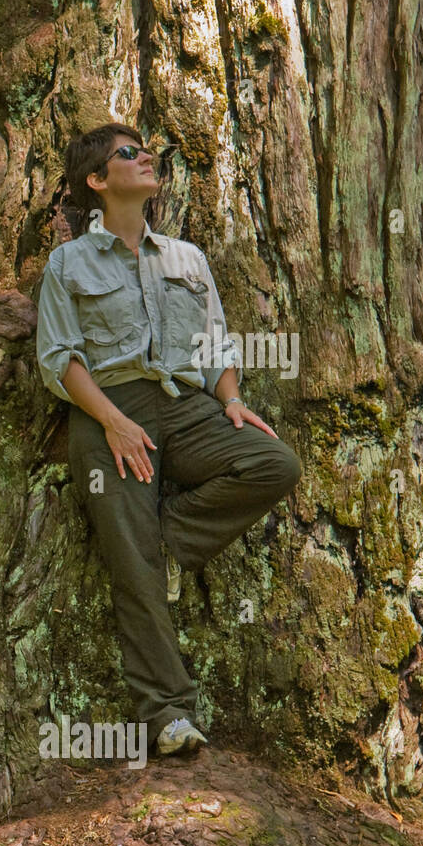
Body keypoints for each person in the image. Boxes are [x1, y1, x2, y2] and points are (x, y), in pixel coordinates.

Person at [35, 123, 302, 755]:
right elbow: (58, 356)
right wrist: (111, 420)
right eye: (128, 154)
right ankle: (168, 713)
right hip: (111, 412)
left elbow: (216, 343)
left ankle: (163, 540)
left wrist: (232, 400)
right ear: (97, 181)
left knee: (274, 463)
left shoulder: (187, 259)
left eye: (146, 150)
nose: (145, 157)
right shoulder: (68, 262)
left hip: (186, 407)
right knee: (133, 573)